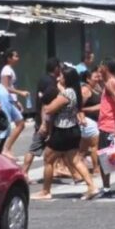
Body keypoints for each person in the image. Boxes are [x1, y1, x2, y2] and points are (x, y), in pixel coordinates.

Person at [33, 67, 97, 200]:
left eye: (61, 76)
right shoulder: (75, 91)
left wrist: (45, 103)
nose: (59, 78)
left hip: (62, 131)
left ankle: (46, 191)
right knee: (75, 160)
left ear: (67, 78)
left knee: (48, 159)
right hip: (73, 129)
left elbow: (50, 109)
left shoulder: (67, 93)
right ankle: (92, 186)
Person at [23, 58, 61, 177]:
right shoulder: (51, 82)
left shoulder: (43, 79)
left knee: (54, 147)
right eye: (59, 67)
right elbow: (46, 105)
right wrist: (44, 123)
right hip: (45, 120)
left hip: (42, 119)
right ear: (56, 68)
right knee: (35, 147)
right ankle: (24, 172)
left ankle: (57, 168)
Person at [97, 57, 115, 197]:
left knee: (105, 159)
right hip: (108, 125)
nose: (99, 68)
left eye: (101, 65)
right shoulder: (114, 83)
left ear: (106, 68)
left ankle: (106, 189)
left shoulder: (110, 84)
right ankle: (106, 188)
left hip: (108, 126)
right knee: (108, 158)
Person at [78, 69, 102, 177]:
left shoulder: (96, 88)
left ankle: (76, 168)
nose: (98, 79)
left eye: (98, 77)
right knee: (94, 146)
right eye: (95, 77)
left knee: (82, 149)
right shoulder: (85, 90)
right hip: (88, 122)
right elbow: (79, 107)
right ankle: (96, 168)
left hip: (93, 121)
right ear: (88, 79)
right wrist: (93, 109)